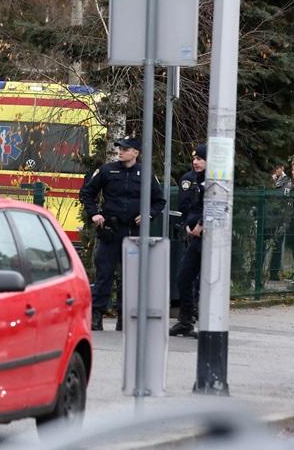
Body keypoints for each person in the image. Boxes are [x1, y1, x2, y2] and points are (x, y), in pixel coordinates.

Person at [80, 136, 165, 331]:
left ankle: (124, 317)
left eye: (126, 149)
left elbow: (159, 200)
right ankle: (97, 315)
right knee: (104, 275)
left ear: (135, 152)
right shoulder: (107, 170)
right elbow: (87, 193)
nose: (121, 151)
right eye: (120, 148)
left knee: (130, 277)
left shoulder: (145, 173)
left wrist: (148, 214)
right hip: (111, 231)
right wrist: (94, 214)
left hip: (132, 232)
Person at [169, 143, 206, 338]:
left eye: (200, 159)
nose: (195, 162)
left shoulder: (211, 182)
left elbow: (212, 206)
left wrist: (200, 224)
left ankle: (206, 322)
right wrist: (187, 225)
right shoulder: (193, 180)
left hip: (206, 238)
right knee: (184, 277)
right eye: (194, 159)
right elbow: (189, 207)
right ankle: (185, 320)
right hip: (193, 236)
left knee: (206, 281)